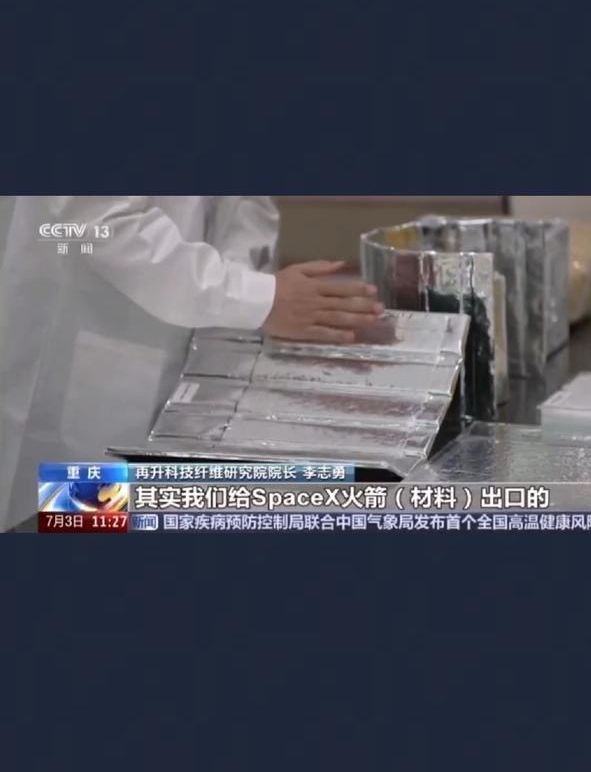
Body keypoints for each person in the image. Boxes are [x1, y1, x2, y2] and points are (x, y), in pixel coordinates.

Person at [0, 195, 381, 530]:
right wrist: (252, 297)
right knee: (77, 515)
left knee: (146, 511)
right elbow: (98, 221)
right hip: (87, 347)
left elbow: (247, 203)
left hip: (194, 348)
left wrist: (241, 289)